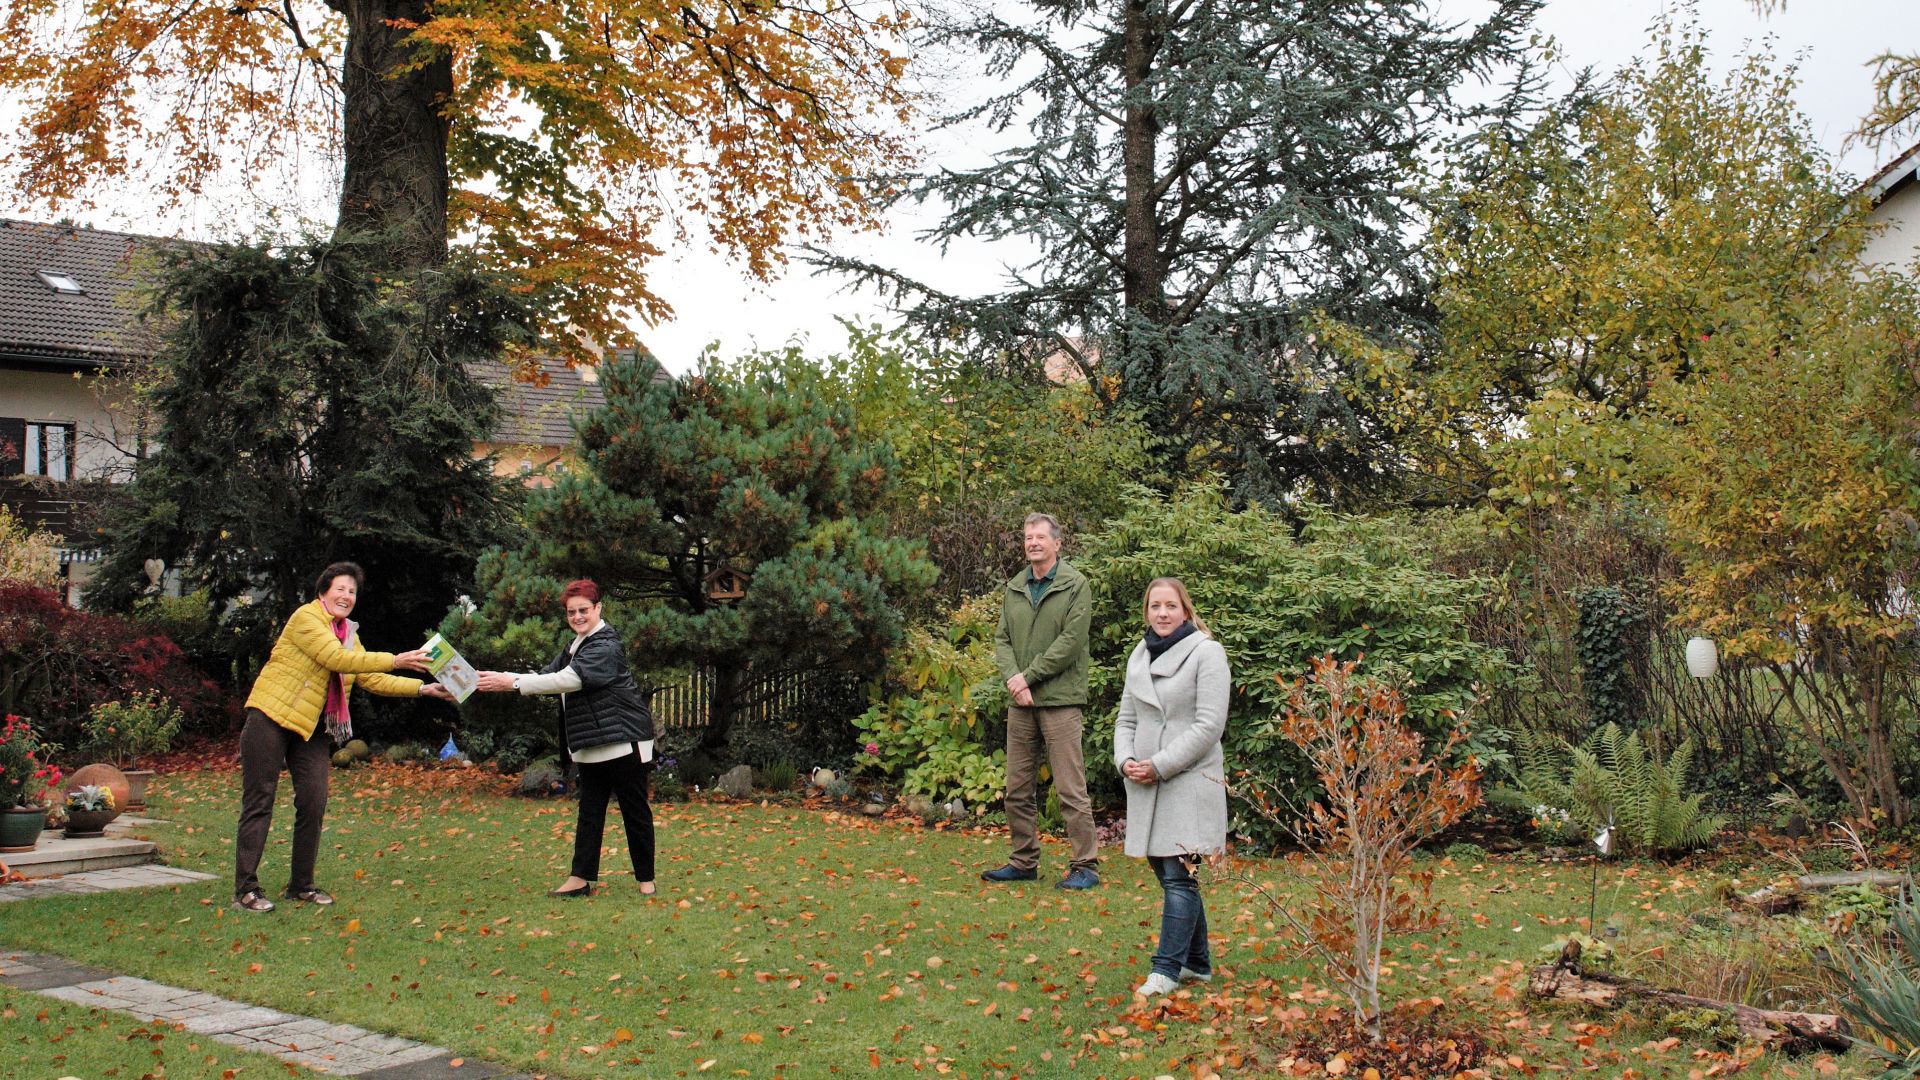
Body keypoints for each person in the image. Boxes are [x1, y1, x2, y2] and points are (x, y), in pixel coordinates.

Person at [234, 561, 446, 913]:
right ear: (323, 592)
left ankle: (301, 886)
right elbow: (335, 659)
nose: (347, 596)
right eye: (341, 589)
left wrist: (424, 690)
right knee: (260, 801)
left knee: (314, 803)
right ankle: (246, 889)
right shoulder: (306, 619)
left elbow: (369, 677)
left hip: (313, 728)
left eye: (352, 591)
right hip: (271, 716)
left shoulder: (349, 634)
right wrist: (395, 659)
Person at [474, 579, 655, 898]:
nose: (578, 617)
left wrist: (512, 683)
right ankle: (579, 879)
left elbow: (567, 680)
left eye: (584, 610)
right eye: (572, 612)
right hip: (591, 744)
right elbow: (545, 674)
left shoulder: (606, 644)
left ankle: (646, 882)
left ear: (598, 608)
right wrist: (490, 679)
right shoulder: (575, 645)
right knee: (589, 813)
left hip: (625, 740)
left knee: (634, 812)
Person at [1112, 577, 1231, 997]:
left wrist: (1159, 765)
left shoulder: (1207, 653)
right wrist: (1124, 759)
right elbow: (1126, 719)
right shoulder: (1139, 655)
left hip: (1187, 780)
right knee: (1170, 876)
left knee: (1180, 876)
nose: (1162, 613)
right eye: (1155, 606)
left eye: (1171, 606)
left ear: (1186, 610)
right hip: (1144, 781)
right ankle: (1197, 964)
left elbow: (1209, 726)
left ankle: (1165, 969)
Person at [983, 512, 1100, 890]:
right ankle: (1023, 861)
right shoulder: (1015, 587)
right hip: (1021, 704)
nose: (1033, 542)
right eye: (1028, 537)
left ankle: (1086, 866)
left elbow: (1070, 642)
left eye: (1040, 537)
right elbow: (1002, 639)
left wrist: (1027, 677)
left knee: (1070, 789)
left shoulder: (1075, 585)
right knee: (1017, 788)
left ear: (1057, 543)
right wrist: (1014, 681)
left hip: (1060, 701)